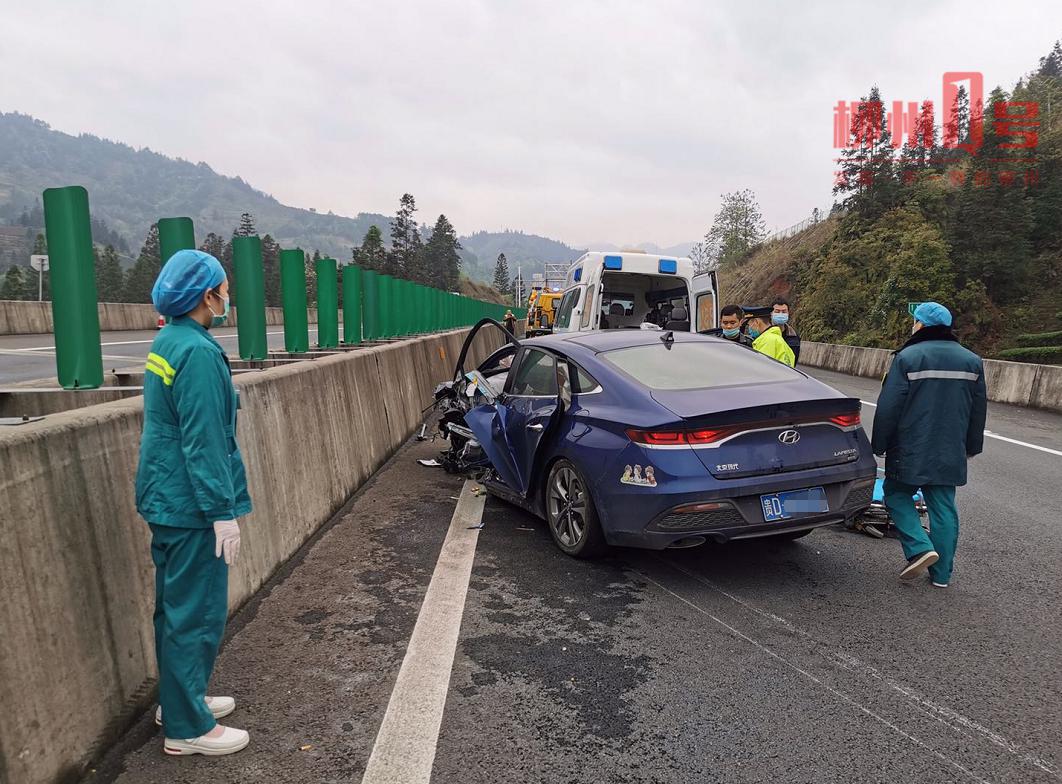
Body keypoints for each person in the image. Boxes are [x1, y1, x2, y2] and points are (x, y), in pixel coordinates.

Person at [135, 249, 252, 756]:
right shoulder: (200, 354)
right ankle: (187, 728)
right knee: (197, 612)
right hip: (190, 505)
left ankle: (179, 700)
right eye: (224, 288)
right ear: (208, 296)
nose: (229, 296)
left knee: (174, 608)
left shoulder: (171, 339)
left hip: (165, 493)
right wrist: (221, 513)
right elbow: (204, 441)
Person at [871, 302, 987, 588]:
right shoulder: (971, 361)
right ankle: (942, 575)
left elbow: (889, 406)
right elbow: (978, 409)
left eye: (915, 321)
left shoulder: (908, 357)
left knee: (896, 494)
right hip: (951, 446)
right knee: (943, 505)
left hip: (911, 444)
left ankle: (921, 548)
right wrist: (972, 445)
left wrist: (879, 443)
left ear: (920, 325)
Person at [771, 297, 801, 364]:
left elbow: (794, 361)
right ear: (771, 313)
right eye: (777, 311)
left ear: (788, 313)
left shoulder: (794, 336)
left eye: (784, 311)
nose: (781, 314)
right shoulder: (763, 334)